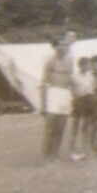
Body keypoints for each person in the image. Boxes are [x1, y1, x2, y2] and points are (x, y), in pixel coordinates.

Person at [39, 32, 75, 161]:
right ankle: (46, 155)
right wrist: (43, 104)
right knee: (50, 127)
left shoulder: (70, 61)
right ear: (55, 47)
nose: (62, 47)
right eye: (60, 45)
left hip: (65, 94)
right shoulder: (50, 61)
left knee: (61, 127)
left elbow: (71, 81)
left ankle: (55, 154)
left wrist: (73, 97)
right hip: (53, 93)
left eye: (65, 45)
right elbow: (44, 83)